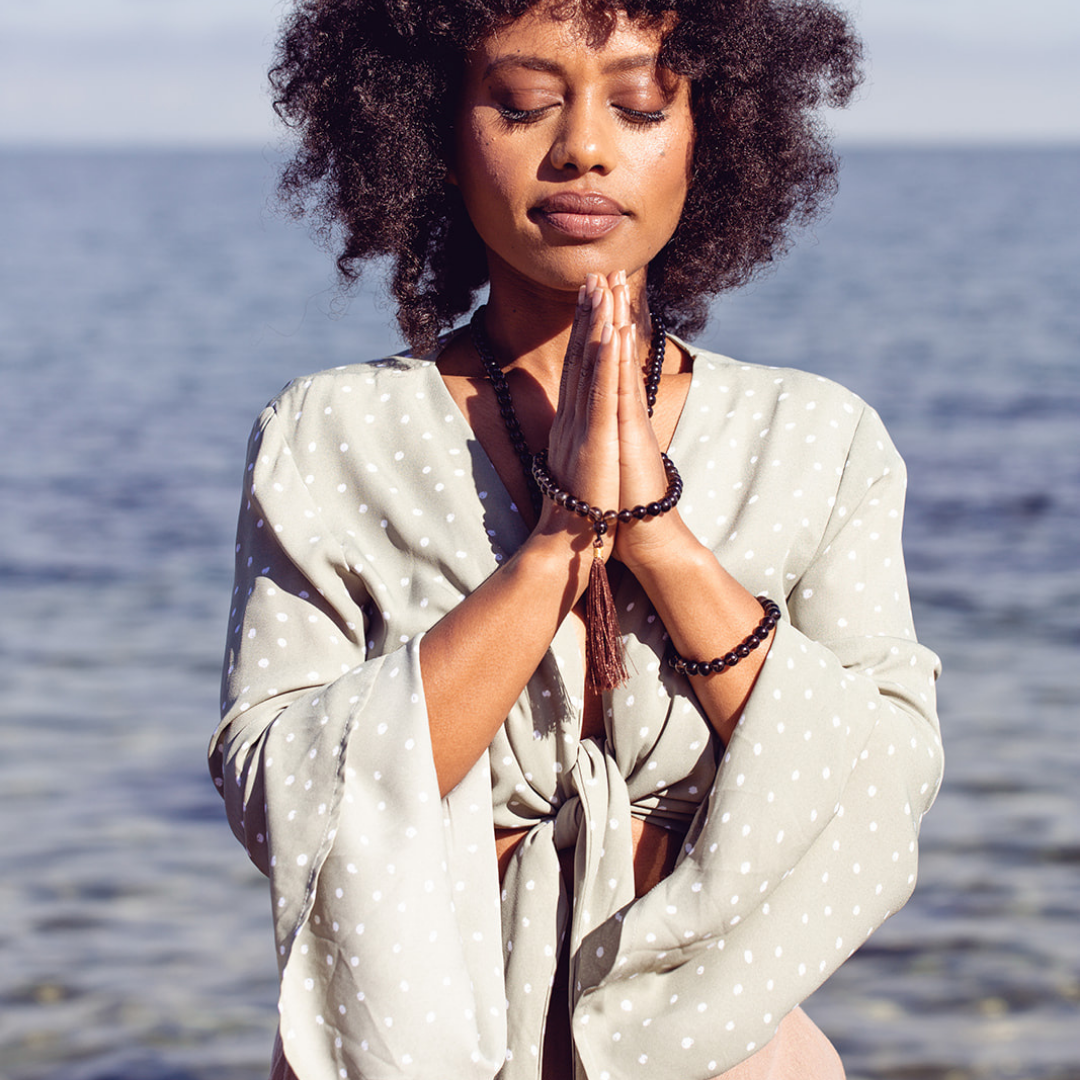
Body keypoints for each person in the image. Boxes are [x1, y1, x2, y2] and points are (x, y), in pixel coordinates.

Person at [209, 2, 943, 1078]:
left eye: (640, 106)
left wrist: (656, 534)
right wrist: (556, 549)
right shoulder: (330, 434)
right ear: (434, 129)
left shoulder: (818, 440)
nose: (584, 148)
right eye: (522, 105)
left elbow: (884, 782)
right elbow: (277, 790)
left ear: (710, 137)